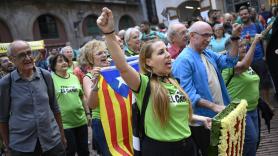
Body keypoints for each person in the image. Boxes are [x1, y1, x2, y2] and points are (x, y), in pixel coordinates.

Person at [96, 7, 212, 156]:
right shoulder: (144, 84)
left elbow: (176, 114)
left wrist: (200, 119)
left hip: (188, 147)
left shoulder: (173, 81)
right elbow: (122, 66)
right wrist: (109, 33)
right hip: (161, 150)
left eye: (166, 50)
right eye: (161, 52)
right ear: (148, 61)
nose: (168, 55)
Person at [172, 21, 241, 156]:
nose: (209, 39)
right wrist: (214, 107)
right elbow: (188, 95)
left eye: (210, 35)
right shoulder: (183, 60)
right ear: (192, 36)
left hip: (219, 116)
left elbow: (230, 61)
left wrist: (235, 39)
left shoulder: (207, 53)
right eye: (205, 35)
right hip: (203, 123)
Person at [0, 40, 66, 156]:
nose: (28, 58)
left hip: (52, 141)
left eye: (29, 53)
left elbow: (55, 108)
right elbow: (3, 118)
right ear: (12, 59)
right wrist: (8, 147)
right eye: (22, 55)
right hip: (22, 146)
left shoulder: (46, 76)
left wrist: (62, 135)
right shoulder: (6, 83)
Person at [222, 34, 262, 156]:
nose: (244, 48)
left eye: (244, 45)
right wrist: (254, 43)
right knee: (251, 140)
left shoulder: (246, 63)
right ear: (231, 50)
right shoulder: (228, 66)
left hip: (253, 108)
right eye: (239, 46)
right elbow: (243, 66)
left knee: (255, 141)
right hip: (239, 110)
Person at [49, 54, 90, 156]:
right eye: (60, 61)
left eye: (65, 61)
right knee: (70, 150)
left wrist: (88, 113)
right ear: (54, 66)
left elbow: (82, 96)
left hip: (80, 120)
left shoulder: (73, 77)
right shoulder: (50, 79)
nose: (64, 63)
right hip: (64, 124)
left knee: (84, 150)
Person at [239, 6, 274, 110]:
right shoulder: (239, 28)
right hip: (246, 60)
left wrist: (265, 55)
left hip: (259, 58)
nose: (243, 16)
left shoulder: (257, 26)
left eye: (245, 14)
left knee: (264, 82)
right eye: (241, 15)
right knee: (252, 83)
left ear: (249, 14)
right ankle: (258, 104)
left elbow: (264, 40)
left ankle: (267, 103)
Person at [81, 40, 111, 156]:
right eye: (99, 53)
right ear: (90, 59)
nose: (104, 55)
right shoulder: (88, 78)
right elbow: (92, 105)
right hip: (102, 121)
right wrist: (95, 84)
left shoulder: (113, 71)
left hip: (119, 117)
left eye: (105, 52)